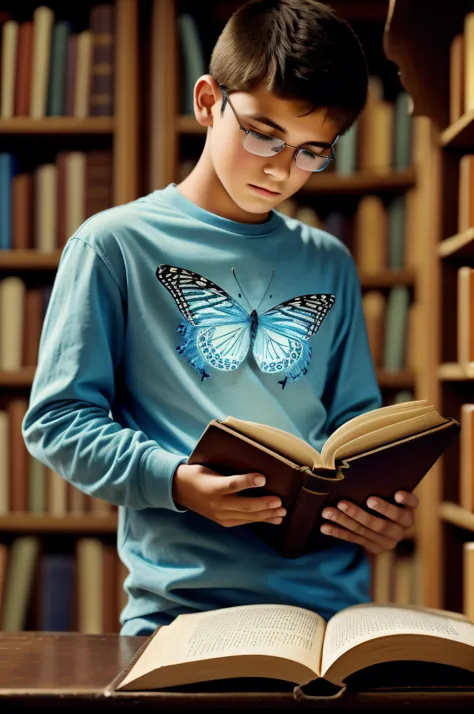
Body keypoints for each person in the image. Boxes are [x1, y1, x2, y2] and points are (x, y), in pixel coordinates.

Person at [22, 0, 418, 636]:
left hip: (329, 609)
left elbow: (352, 426)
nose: (282, 170)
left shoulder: (327, 261)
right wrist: (176, 482)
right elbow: (58, 421)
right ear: (209, 101)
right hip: (181, 610)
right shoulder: (113, 245)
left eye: (313, 151)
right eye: (263, 134)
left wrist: (383, 506)